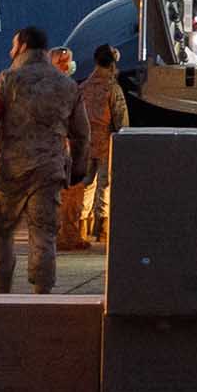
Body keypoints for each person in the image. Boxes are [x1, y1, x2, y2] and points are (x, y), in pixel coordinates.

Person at [0, 26, 88, 294]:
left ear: (21, 46)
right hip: (49, 172)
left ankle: (1, 290)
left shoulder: (6, 81)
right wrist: (78, 169)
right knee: (44, 233)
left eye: (13, 45)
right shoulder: (68, 85)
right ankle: (42, 295)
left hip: (12, 171)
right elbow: (81, 133)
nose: (10, 51)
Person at [72, 43, 125, 247]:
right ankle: (102, 230)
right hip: (106, 144)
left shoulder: (82, 87)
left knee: (84, 186)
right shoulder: (113, 89)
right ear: (112, 64)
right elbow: (121, 120)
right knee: (106, 186)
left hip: (84, 144)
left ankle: (80, 227)